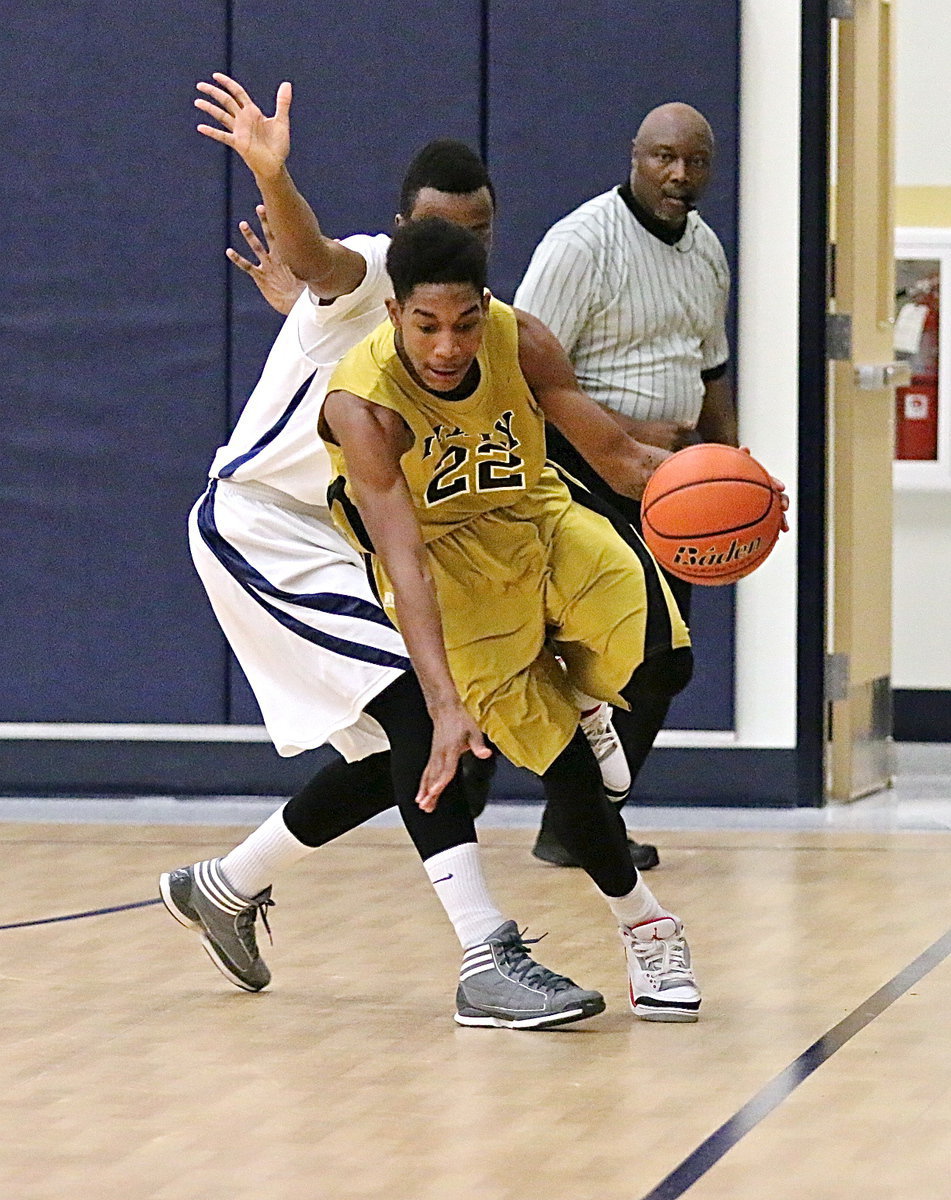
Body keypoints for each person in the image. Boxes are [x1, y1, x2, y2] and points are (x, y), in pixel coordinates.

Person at [158, 74, 622, 1029]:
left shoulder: (479, 326)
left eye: (477, 230)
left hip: (351, 540)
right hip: (266, 530)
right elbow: (316, 257)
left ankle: (225, 885)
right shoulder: (373, 272)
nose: (447, 247)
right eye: (428, 229)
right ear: (397, 229)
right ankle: (484, 958)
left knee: (412, 753)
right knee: (426, 710)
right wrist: (273, 177)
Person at [320, 215, 716, 1021]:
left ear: (486, 309)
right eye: (426, 326)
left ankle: (589, 696)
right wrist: (440, 704)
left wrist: (721, 490)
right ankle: (647, 929)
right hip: (445, 572)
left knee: (666, 660)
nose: (446, 348)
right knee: (567, 773)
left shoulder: (522, 340)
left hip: (537, 517)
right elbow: (401, 561)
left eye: (465, 324)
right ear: (393, 314)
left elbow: (618, 461)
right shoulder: (362, 409)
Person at [513, 101, 737, 867]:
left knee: (663, 657)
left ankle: (581, 822)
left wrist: (729, 462)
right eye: (663, 157)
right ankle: (577, 820)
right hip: (586, 471)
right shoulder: (581, 243)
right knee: (630, 654)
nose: (679, 174)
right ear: (633, 156)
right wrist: (624, 435)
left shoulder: (705, 250)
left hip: (676, 482)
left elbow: (710, 369)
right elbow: (522, 370)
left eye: (695, 161)